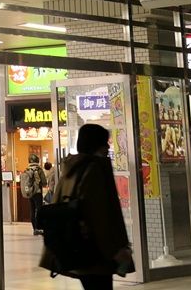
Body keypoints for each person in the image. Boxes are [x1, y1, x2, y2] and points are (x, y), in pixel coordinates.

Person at [39, 124, 133, 290]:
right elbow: (99, 215)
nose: (108, 146)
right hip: (95, 250)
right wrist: (116, 250)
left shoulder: (71, 168)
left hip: (76, 246)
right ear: (96, 144)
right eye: (105, 142)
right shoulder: (94, 169)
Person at [19, 153, 47, 234]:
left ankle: (34, 228)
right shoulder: (39, 170)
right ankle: (39, 227)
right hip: (37, 192)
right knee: (39, 210)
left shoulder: (27, 170)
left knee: (32, 209)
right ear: (37, 160)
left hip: (30, 193)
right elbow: (44, 182)